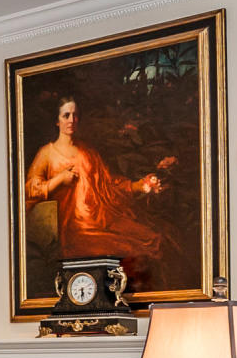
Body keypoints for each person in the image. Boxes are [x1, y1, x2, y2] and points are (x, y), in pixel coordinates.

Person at [23, 97, 171, 292]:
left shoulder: (87, 151)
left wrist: (140, 185)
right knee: (124, 250)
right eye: (66, 115)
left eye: (75, 115)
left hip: (104, 217)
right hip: (75, 227)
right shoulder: (46, 153)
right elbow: (30, 190)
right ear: (57, 120)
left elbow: (109, 184)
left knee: (153, 238)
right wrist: (59, 180)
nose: (71, 120)